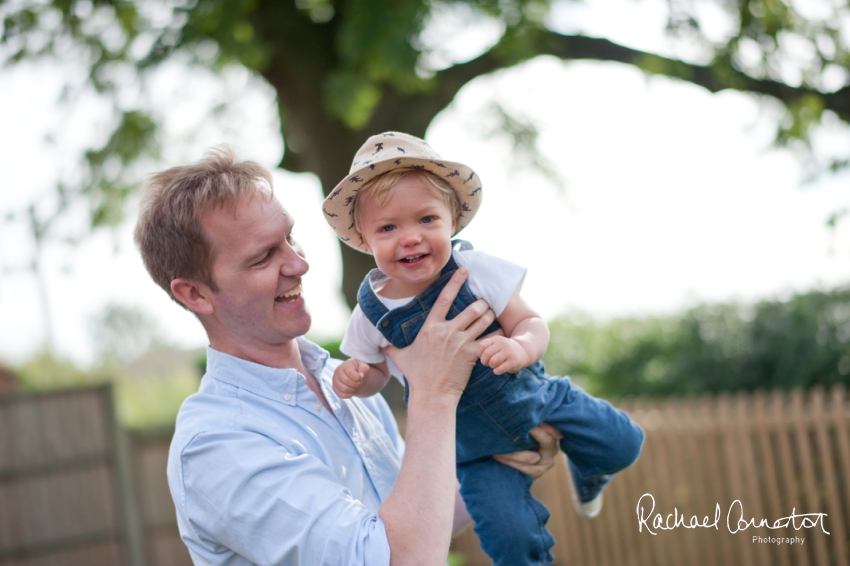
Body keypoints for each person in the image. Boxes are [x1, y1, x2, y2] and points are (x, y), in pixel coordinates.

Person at [133, 145, 562, 566]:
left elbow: (411, 525)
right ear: (195, 294)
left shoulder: (343, 382)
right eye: (264, 256)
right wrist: (435, 392)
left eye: (290, 238)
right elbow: (395, 560)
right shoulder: (216, 447)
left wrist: (499, 463)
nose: (299, 264)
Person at [322, 131, 645, 566]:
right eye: (388, 227)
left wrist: (520, 349)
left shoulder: (475, 270)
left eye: (426, 220)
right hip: (473, 453)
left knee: (624, 443)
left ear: (452, 221)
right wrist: (356, 378)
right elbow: (377, 374)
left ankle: (589, 472)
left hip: (539, 400)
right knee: (512, 544)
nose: (411, 237)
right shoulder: (371, 313)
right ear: (364, 239)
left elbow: (530, 323)